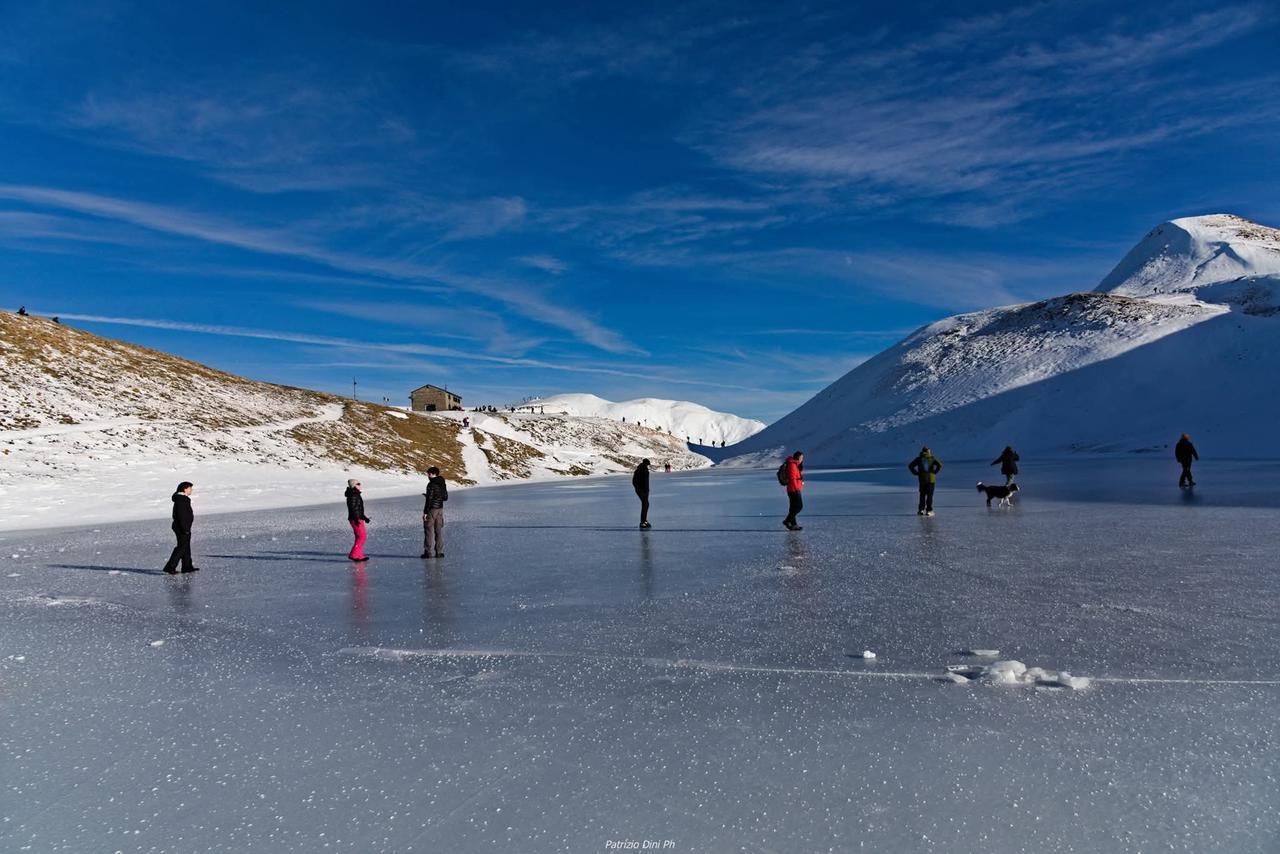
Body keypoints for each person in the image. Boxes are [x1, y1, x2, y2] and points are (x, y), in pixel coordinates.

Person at [161, 482, 199, 574]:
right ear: (185, 489)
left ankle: (187, 566)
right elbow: (182, 515)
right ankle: (170, 567)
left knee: (185, 546)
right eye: (190, 488)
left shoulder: (182, 499)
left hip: (182, 526)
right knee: (182, 547)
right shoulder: (182, 500)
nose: (191, 490)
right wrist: (185, 528)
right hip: (181, 527)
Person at [421, 466, 448, 558]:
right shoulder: (442, 483)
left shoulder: (431, 484)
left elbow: (429, 499)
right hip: (440, 509)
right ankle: (439, 552)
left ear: (432, 474)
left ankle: (428, 552)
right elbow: (445, 497)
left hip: (432, 509)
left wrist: (425, 512)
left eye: (428, 474)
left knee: (428, 530)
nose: (427, 475)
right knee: (438, 530)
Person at [908, 446, 943, 516]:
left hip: (922, 479)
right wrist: (935, 472)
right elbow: (940, 465)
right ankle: (929, 510)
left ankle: (921, 510)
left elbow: (910, 466)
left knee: (922, 495)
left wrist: (916, 473)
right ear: (928, 451)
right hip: (931, 480)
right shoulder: (932, 458)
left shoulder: (919, 459)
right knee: (929, 495)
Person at [345, 479, 370, 562]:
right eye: (358, 484)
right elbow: (353, 508)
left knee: (359, 537)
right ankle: (354, 554)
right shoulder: (353, 495)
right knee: (362, 536)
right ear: (353, 485)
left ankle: (359, 555)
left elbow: (358, 509)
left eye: (360, 483)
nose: (360, 485)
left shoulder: (355, 494)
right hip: (355, 518)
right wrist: (356, 519)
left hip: (357, 517)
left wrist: (364, 517)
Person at [781, 451, 804, 530]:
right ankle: (787, 521)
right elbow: (792, 478)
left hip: (793, 489)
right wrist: (796, 488)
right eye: (801, 458)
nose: (802, 459)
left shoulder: (795, 464)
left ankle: (793, 525)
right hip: (793, 489)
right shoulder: (792, 465)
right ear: (798, 457)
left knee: (793, 508)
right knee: (799, 507)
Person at [632, 458, 652, 528]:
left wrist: (647, 489)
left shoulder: (644, 469)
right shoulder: (639, 470)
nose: (648, 465)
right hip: (641, 491)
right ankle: (642, 522)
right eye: (648, 464)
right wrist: (639, 489)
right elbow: (634, 481)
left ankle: (644, 521)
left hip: (645, 490)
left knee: (646, 505)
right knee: (645, 504)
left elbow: (645, 481)